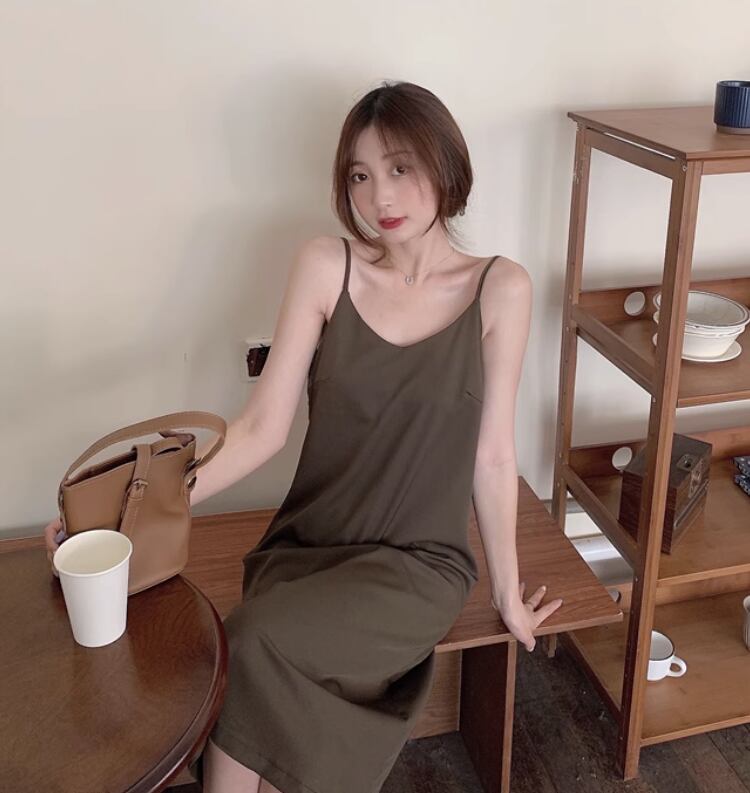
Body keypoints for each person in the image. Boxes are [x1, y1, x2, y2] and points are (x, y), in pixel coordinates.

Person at [45, 80, 563, 793]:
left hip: (419, 564)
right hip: (309, 546)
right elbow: (260, 429)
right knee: (248, 644)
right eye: (360, 175)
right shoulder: (327, 266)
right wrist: (116, 521)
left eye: (401, 167)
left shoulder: (501, 288)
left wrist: (506, 591)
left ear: (446, 164)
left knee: (248, 644)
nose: (380, 195)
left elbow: (494, 455)